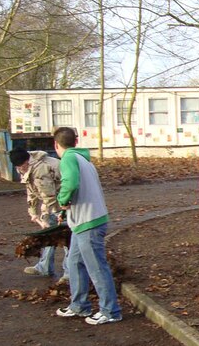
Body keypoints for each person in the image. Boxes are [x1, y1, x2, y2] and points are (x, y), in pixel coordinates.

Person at [52, 127, 122, 325]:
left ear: (55, 145)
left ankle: (111, 311)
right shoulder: (84, 160)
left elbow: (71, 184)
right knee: (74, 263)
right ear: (75, 142)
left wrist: (62, 200)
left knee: (96, 267)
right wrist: (66, 212)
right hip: (85, 221)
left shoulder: (67, 159)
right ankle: (79, 305)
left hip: (88, 222)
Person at [9, 147, 69, 282]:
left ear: (26, 162)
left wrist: (44, 216)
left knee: (66, 238)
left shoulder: (41, 169)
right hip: (55, 205)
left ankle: (69, 273)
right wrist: (32, 212)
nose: (19, 170)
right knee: (48, 236)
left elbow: (49, 196)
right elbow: (31, 189)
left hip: (65, 203)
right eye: (17, 167)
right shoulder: (26, 167)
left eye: (20, 167)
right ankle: (45, 266)